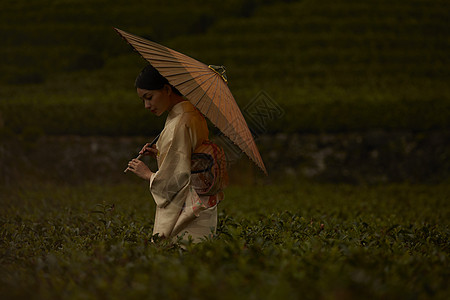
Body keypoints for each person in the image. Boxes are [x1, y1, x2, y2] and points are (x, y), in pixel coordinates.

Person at [126, 64, 222, 243]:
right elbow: (187, 157)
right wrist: (160, 154)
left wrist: (148, 175)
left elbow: (175, 179)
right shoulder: (192, 114)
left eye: (149, 97)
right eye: (143, 100)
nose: (147, 105)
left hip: (186, 207)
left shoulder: (178, 123)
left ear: (167, 89)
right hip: (200, 202)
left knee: (179, 256)